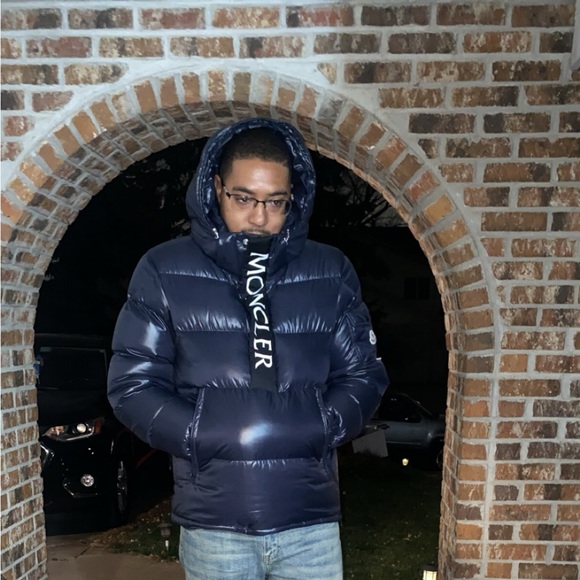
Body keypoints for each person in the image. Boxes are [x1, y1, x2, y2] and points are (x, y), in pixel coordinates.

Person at [107, 117, 388, 579]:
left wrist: (321, 424)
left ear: (294, 197)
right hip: (215, 522)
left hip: (310, 523)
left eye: (275, 202)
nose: (259, 217)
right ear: (216, 188)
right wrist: (203, 433)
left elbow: (363, 375)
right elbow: (132, 386)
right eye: (243, 198)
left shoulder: (330, 269)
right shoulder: (163, 269)